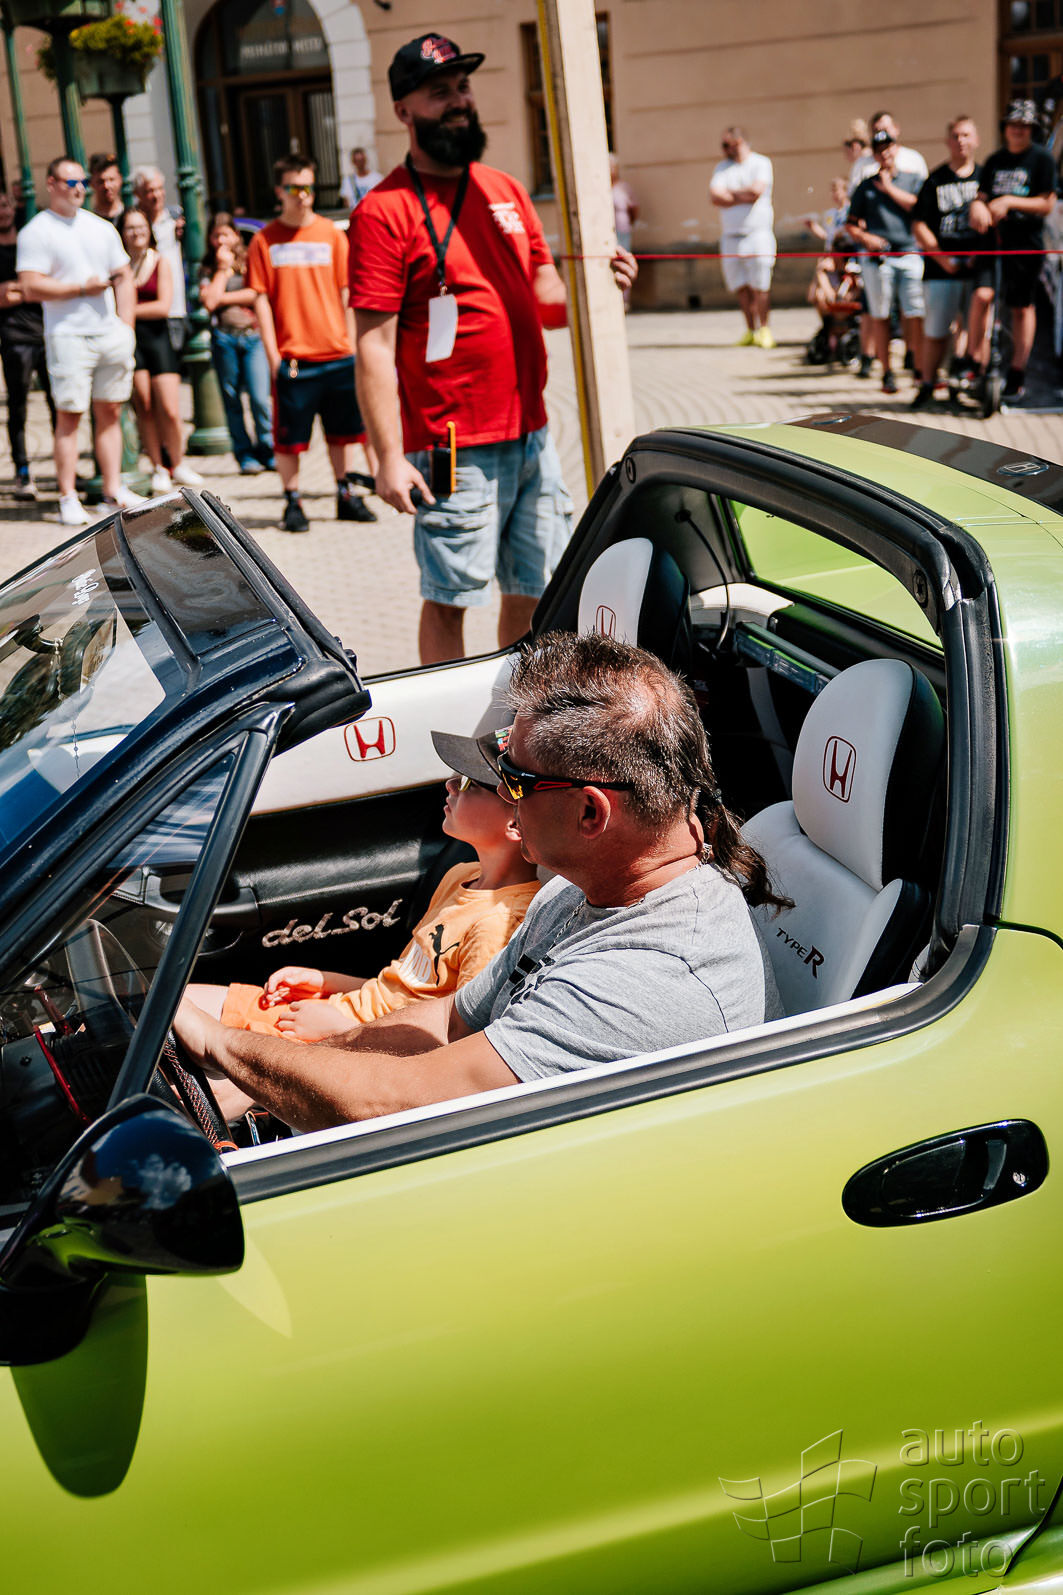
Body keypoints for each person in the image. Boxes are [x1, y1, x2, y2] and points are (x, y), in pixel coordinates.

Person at [174, 631, 785, 1134]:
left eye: (515, 780)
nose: (505, 798)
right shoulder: (578, 890)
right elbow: (449, 1022)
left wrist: (219, 1043)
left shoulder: (646, 981)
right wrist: (266, 1078)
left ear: (591, 812)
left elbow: (397, 1103)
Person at [348, 33, 636, 665]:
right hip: (451, 447)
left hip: (533, 433)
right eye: (440, 92)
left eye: (463, 87)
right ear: (403, 110)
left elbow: (547, 298)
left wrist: (600, 290)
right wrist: (388, 457)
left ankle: (515, 714)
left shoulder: (505, 190)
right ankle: (443, 719)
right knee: (450, 596)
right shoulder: (383, 212)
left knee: (534, 590)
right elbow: (372, 345)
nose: (459, 101)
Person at [187, 728, 538, 1061]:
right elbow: (399, 989)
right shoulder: (461, 876)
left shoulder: (499, 925)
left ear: (515, 824)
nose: (450, 785)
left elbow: (458, 1041)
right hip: (338, 1015)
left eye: (469, 783)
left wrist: (343, 1032)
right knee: (175, 1005)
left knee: (184, 1055)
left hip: (356, 1048)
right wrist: (324, 982)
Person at [246, 155, 376, 532]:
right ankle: (292, 500)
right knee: (290, 439)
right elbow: (260, 299)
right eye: (294, 187)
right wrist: (273, 354)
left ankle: (345, 493)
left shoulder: (332, 234)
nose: (302, 195)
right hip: (294, 358)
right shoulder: (264, 240)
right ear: (279, 191)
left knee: (343, 433)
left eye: (308, 187)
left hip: (338, 353)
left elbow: (347, 291)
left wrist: (351, 343)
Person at [16, 156, 144, 525]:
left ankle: (112, 491)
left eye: (82, 181)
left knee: (111, 412)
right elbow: (30, 286)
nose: (79, 188)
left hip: (109, 334)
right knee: (69, 416)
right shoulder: (36, 231)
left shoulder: (100, 227)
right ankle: (68, 497)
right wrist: (80, 288)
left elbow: (123, 276)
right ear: (51, 184)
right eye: (71, 182)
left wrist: (126, 327)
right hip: (68, 335)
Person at [969, 99, 1057, 403]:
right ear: (1005, 128)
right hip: (993, 242)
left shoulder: (1042, 159)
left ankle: (1017, 372)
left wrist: (1009, 201)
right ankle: (975, 364)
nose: (1018, 130)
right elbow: (981, 196)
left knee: (1021, 307)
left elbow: (1046, 203)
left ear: (1031, 129)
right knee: (982, 296)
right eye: (1013, 125)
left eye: (1024, 126)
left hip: (1025, 244)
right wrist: (978, 206)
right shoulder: (995, 160)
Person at [131, 166, 202, 489]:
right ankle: (159, 464)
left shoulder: (175, 219)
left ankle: (177, 460)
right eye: (150, 190)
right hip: (138, 331)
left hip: (171, 316)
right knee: (145, 404)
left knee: (169, 405)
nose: (156, 195)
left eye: (160, 189)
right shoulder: (133, 226)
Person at [910, 116, 984, 410]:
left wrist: (978, 255)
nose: (961, 141)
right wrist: (942, 258)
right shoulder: (935, 179)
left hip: (977, 268)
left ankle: (964, 383)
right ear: (947, 141)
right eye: (955, 135)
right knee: (936, 331)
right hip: (940, 270)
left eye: (966, 135)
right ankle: (927, 385)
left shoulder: (985, 177)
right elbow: (919, 224)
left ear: (976, 140)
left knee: (973, 332)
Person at [846, 127, 925, 394]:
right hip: (878, 259)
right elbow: (851, 224)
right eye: (879, 150)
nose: (885, 154)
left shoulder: (912, 179)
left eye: (888, 148)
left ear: (896, 148)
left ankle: (917, 365)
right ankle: (887, 372)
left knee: (915, 313)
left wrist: (889, 188)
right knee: (880, 315)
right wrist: (865, 238)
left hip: (910, 253)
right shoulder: (865, 186)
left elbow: (918, 207)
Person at [199, 213, 274, 475]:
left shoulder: (248, 260)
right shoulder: (208, 267)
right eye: (216, 235)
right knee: (232, 400)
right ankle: (244, 455)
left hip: (252, 336)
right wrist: (222, 269)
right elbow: (209, 301)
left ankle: (268, 448)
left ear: (236, 236)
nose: (220, 240)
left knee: (259, 398)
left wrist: (222, 297)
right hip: (224, 338)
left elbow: (256, 293)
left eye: (225, 234)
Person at [0, 189, 55, 499]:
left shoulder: (28, 243)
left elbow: (41, 286)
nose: (3, 211)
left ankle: (64, 465)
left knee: (57, 403)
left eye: (5, 205)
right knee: (18, 406)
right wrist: (28, 288)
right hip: (14, 338)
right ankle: (22, 470)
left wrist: (19, 289)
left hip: (45, 332)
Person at [709, 126, 776, 348]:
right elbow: (715, 196)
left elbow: (756, 192)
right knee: (740, 286)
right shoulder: (722, 168)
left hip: (757, 234)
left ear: (738, 142)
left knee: (760, 285)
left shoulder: (761, 163)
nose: (723, 149)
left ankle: (764, 329)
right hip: (731, 237)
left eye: (726, 145)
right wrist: (742, 195)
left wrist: (730, 194)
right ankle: (750, 330)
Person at [339, 146, 383, 211]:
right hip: (357, 214)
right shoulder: (348, 181)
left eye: (361, 160)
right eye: (357, 161)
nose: (360, 163)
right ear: (353, 162)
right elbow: (346, 202)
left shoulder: (377, 178)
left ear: (365, 160)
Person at [88, 152, 124, 223]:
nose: (107, 186)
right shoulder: (89, 221)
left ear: (120, 179)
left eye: (111, 179)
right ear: (91, 183)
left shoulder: (132, 217)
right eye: (101, 181)